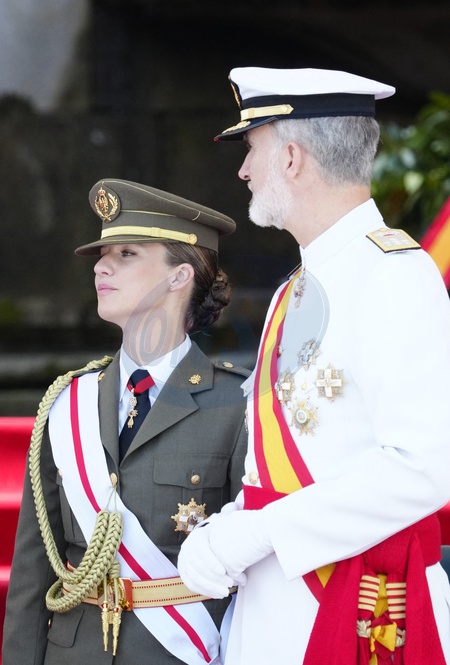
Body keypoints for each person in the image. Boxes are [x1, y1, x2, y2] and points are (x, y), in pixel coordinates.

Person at [178, 67, 450, 664]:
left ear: (291, 157)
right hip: (276, 610)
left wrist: (258, 531)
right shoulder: (295, 287)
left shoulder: (395, 276)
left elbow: (421, 469)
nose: (244, 170)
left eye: (252, 149)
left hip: (357, 609)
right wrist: (230, 525)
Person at [2, 178, 248, 665]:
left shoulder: (236, 404)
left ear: (180, 276)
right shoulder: (67, 403)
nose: (101, 266)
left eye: (127, 253)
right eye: (102, 254)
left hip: (180, 651)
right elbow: (32, 573)